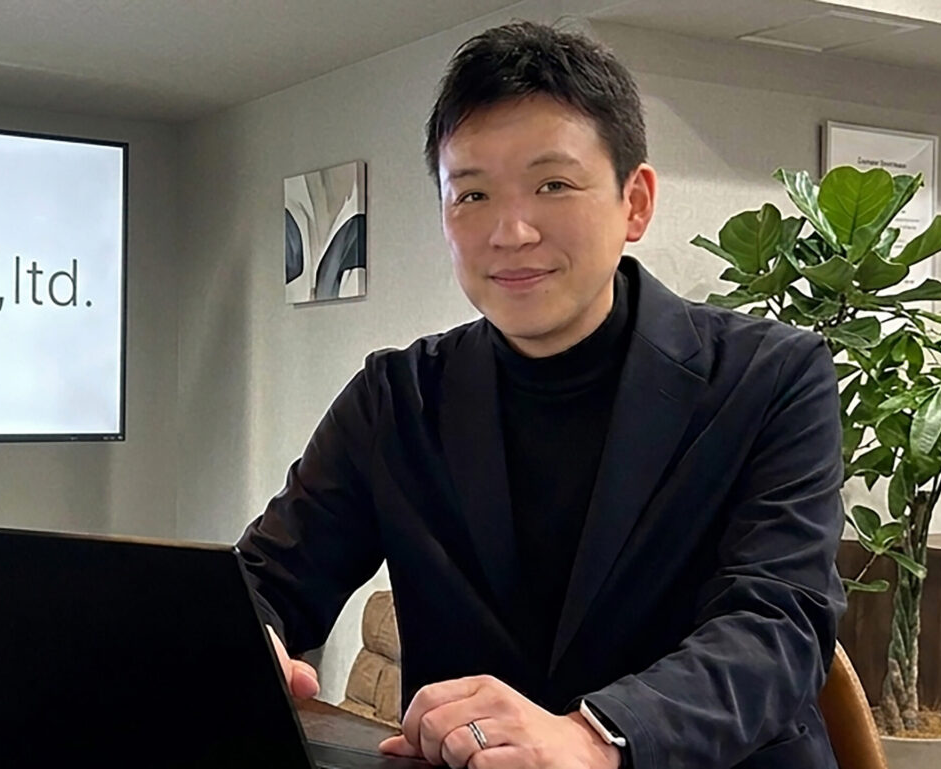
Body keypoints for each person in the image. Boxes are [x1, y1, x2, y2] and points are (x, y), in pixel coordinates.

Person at [238, 21, 845, 769]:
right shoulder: (396, 399)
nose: (511, 231)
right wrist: (250, 639)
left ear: (635, 202)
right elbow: (266, 580)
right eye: (472, 194)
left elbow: (778, 624)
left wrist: (598, 734)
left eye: (552, 185)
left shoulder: (771, 377)